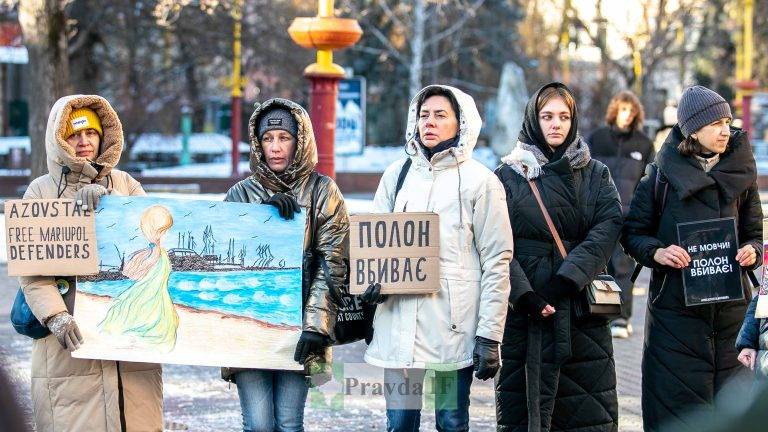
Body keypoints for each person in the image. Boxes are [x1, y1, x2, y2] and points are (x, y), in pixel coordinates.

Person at [362, 84, 514, 432]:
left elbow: (497, 261)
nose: (428, 122)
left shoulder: (481, 183)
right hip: (399, 324)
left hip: (452, 329)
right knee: (399, 423)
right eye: (423, 114)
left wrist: (490, 335)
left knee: (451, 422)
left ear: (460, 123)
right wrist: (370, 286)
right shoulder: (396, 175)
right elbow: (374, 247)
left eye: (440, 115)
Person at [622, 85, 763, 431]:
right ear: (692, 130)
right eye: (715, 123)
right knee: (677, 414)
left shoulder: (743, 173)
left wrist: (752, 252)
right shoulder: (660, 176)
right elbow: (633, 234)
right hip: (675, 319)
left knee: (734, 414)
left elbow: (754, 235)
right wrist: (658, 252)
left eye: (728, 122)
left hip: (732, 316)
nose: (724, 131)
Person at [19, 95, 162, 431]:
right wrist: (56, 317)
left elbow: (152, 240)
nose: (84, 142)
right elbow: (34, 277)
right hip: (68, 346)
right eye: (73, 134)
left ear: (103, 136)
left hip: (128, 345)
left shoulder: (127, 185)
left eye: (91, 134)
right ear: (59, 140)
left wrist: (111, 208)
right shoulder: (40, 193)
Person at [494, 82, 623, 431]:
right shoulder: (507, 175)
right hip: (527, 310)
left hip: (580, 307)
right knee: (524, 409)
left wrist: (565, 281)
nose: (556, 124)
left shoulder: (594, 173)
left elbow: (608, 227)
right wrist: (526, 295)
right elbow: (495, 243)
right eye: (547, 116)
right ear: (533, 120)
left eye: (564, 117)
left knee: (586, 412)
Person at [221, 98, 349, 432]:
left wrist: (316, 326)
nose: (276, 147)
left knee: (290, 423)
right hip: (250, 325)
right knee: (259, 424)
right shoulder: (239, 194)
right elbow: (226, 260)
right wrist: (261, 216)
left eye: (284, 137)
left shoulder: (323, 191)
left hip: (301, 328)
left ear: (300, 140)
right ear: (257, 143)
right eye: (268, 139)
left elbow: (332, 263)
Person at [588, 90, 654, 338]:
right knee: (601, 267)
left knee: (624, 269)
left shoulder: (644, 144)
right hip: (600, 215)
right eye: (623, 109)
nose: (626, 115)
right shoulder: (597, 139)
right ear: (615, 110)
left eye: (631, 111)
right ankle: (605, 316)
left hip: (629, 218)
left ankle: (621, 319)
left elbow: (649, 184)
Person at [100, 205, 178, 353]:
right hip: (150, 296)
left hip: (157, 296)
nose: (167, 234)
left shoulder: (157, 252)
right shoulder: (155, 252)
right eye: (165, 231)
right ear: (157, 231)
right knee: (148, 322)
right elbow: (134, 272)